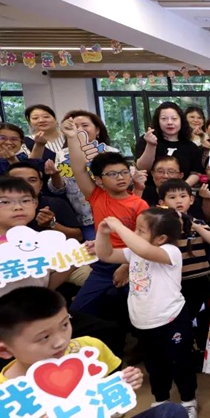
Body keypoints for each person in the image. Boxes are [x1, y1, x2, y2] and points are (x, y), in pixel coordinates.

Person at [0, 287, 188, 418]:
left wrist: (121, 391)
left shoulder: (88, 349)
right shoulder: (7, 395)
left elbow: (115, 413)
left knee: (171, 412)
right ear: (5, 350)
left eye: (65, 325)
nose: (60, 341)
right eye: (44, 337)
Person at [0, 177, 125, 358]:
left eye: (25, 200)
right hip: (8, 323)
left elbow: (47, 286)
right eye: (5, 202)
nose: (18, 207)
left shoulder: (39, 242)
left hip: (41, 313)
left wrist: (76, 259)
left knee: (107, 331)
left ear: (35, 204)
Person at [95, 208, 199, 417]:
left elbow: (143, 250)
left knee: (180, 362)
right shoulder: (135, 251)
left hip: (171, 319)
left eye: (140, 230)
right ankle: (161, 399)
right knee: (154, 365)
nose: (135, 233)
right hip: (143, 322)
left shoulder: (170, 251)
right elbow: (105, 254)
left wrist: (119, 227)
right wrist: (103, 233)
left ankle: (189, 400)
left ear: (161, 238)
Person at [63, 117, 149, 317]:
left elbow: (144, 239)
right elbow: (78, 169)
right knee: (78, 311)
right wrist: (72, 138)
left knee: (133, 309)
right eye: (112, 174)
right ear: (99, 180)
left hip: (131, 262)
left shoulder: (139, 204)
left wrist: (126, 266)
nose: (120, 177)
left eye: (124, 172)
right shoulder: (96, 196)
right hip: (102, 265)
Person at [157, 179, 210, 354]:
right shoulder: (162, 227)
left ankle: (203, 347)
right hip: (177, 281)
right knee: (183, 315)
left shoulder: (198, 222)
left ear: (191, 200)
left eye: (183, 196)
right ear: (162, 203)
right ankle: (186, 346)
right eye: (172, 197)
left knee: (202, 314)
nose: (178, 201)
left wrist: (194, 225)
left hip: (200, 279)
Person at [48, 111, 119, 240]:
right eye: (74, 126)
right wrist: (55, 176)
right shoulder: (62, 155)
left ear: (97, 130)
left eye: (85, 125)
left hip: (111, 212)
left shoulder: (111, 153)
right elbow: (58, 189)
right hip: (81, 216)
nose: (79, 129)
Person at [135, 102, 204, 188]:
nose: (169, 122)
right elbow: (142, 168)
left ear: (181, 121)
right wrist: (151, 145)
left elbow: (196, 173)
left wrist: (181, 187)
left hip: (179, 193)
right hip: (150, 191)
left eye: (174, 118)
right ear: (158, 121)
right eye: (164, 119)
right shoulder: (147, 139)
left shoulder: (191, 147)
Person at [7, 162, 82, 241]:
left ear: (40, 185)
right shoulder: (2, 209)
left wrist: (51, 224)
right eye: (18, 181)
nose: (26, 185)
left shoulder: (56, 204)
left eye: (32, 180)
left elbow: (78, 237)